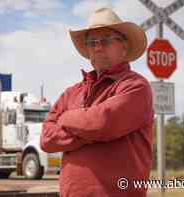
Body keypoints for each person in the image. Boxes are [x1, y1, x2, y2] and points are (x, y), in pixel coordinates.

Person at [40, 7, 154, 197]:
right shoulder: (72, 92)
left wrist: (66, 118)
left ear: (124, 46)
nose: (98, 47)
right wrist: (89, 129)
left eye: (106, 40)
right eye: (92, 42)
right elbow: (46, 139)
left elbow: (103, 123)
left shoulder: (136, 86)